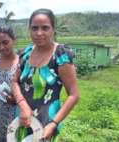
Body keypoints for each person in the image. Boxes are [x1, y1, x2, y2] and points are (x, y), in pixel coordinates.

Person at [11, 9, 80, 141]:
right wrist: (23, 105)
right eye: (34, 28)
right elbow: (14, 81)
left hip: (46, 123)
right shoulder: (26, 53)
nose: (39, 33)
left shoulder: (60, 55)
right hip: (22, 119)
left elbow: (74, 95)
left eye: (45, 28)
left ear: (53, 29)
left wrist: (54, 124)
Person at [0, 25, 18, 142]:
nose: (2, 47)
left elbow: (29, 91)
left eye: (5, 42)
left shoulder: (22, 64)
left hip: (15, 115)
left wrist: (16, 99)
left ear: (13, 40)